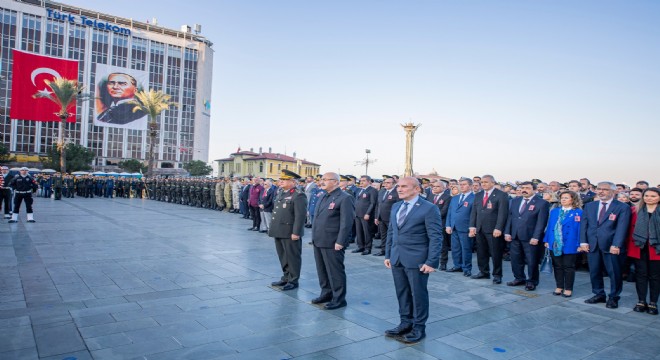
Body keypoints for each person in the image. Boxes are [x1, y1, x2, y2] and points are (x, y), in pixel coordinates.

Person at [384, 177, 442, 344]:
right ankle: (405, 323)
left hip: (417, 259)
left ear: (417, 189)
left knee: (418, 294)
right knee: (402, 292)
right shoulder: (396, 206)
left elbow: (436, 237)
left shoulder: (429, 208)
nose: (399, 189)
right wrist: (388, 254)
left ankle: (418, 327)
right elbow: (391, 232)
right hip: (397, 257)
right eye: (398, 187)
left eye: (404, 186)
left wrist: (431, 262)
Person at [581, 181, 632, 309]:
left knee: (614, 273)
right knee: (594, 271)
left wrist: (616, 245)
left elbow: (622, 227)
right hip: (592, 244)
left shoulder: (622, 207)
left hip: (611, 245)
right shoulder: (590, 206)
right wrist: (583, 241)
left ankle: (614, 297)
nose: (601, 191)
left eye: (605, 189)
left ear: (614, 192)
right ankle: (599, 294)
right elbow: (584, 225)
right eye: (599, 189)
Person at [311, 172, 355, 310]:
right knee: (322, 270)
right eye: (321, 179)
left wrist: (341, 241)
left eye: (325, 179)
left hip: (333, 241)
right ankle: (326, 293)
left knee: (335, 271)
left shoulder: (345, 198)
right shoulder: (323, 195)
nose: (322, 182)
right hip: (319, 239)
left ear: (336, 182)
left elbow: (346, 222)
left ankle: (339, 298)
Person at [504, 181, 549, 291]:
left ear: (534, 190)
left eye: (527, 188)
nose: (524, 190)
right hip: (515, 235)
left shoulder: (541, 203)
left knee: (531, 260)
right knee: (515, 259)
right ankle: (519, 278)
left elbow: (541, 222)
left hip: (530, 237)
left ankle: (532, 281)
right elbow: (510, 218)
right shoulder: (515, 201)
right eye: (522, 187)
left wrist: (536, 237)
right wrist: (507, 232)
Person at [268, 170, 307, 291]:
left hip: (290, 232)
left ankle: (293, 280)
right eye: (281, 180)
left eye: (284, 180)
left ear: (293, 182)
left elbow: (300, 216)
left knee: (292, 257)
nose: (281, 182)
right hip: (279, 230)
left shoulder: (298, 195)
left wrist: (296, 232)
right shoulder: (281, 193)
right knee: (283, 256)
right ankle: (285, 277)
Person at [469, 175, 510, 284]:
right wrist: (472, 226)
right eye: (482, 182)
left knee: (495, 253)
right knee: (481, 252)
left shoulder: (501, 195)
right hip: (480, 228)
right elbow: (474, 212)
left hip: (493, 229)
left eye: (486, 182)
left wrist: (498, 228)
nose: (483, 184)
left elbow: (502, 213)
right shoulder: (478, 195)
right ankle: (483, 271)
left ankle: (497, 275)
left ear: (493, 183)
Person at [543, 191, 583, 297]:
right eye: (562, 198)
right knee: (557, 265)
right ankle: (559, 286)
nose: (563, 200)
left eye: (566, 198)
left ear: (573, 199)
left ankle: (569, 288)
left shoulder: (579, 212)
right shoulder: (555, 211)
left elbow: (580, 230)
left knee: (568, 266)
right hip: (555, 242)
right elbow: (550, 226)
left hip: (570, 242)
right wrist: (547, 240)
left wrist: (580, 244)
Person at [628, 188, 660, 315]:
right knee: (640, 275)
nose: (649, 198)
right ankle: (641, 301)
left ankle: (653, 302)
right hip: (639, 247)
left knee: (655, 277)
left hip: (656, 249)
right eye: (646, 195)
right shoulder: (635, 210)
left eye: (653, 196)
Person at [446, 178, 475, 277]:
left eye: (464, 184)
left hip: (465, 227)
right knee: (455, 248)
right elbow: (450, 213)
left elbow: (474, 215)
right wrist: (448, 225)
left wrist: (472, 227)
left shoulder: (474, 198)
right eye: (460, 184)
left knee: (466, 249)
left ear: (470, 186)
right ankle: (457, 265)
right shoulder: (455, 198)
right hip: (454, 227)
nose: (461, 186)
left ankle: (466, 268)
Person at [374, 175, 399, 256]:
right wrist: (376, 217)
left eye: (388, 183)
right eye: (385, 182)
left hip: (391, 218)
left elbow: (399, 206)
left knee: (392, 236)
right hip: (381, 217)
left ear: (394, 183)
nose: (385, 184)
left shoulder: (397, 192)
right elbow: (378, 205)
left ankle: (393, 252)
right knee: (383, 235)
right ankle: (383, 250)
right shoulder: (382, 191)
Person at [353, 175, 378, 255]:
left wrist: (368, 213)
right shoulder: (359, 190)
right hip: (357, 214)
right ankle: (360, 246)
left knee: (367, 232)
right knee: (359, 231)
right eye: (361, 180)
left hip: (366, 215)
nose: (361, 182)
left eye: (363, 180)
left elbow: (372, 203)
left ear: (368, 181)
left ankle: (367, 248)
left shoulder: (372, 190)